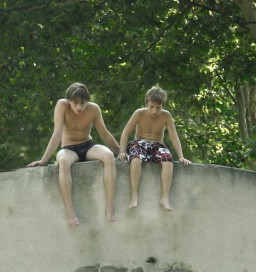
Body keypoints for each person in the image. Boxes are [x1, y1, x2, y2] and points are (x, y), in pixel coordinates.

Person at [27, 83, 121, 226]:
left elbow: (104, 134)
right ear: (69, 101)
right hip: (69, 149)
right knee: (63, 161)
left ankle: (109, 208)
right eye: (75, 103)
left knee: (108, 156)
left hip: (88, 146)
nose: (79, 107)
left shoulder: (94, 109)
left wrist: (121, 152)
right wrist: (44, 160)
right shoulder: (62, 105)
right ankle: (71, 214)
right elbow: (57, 133)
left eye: (82, 103)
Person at [118, 86, 190, 212]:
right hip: (140, 143)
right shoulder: (139, 113)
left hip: (157, 144)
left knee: (168, 161)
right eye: (151, 107)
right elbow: (126, 132)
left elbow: (174, 137)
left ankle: (164, 198)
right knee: (136, 159)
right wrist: (121, 152)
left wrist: (181, 156)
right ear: (146, 103)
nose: (154, 111)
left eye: (158, 107)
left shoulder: (166, 116)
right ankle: (134, 195)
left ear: (163, 106)